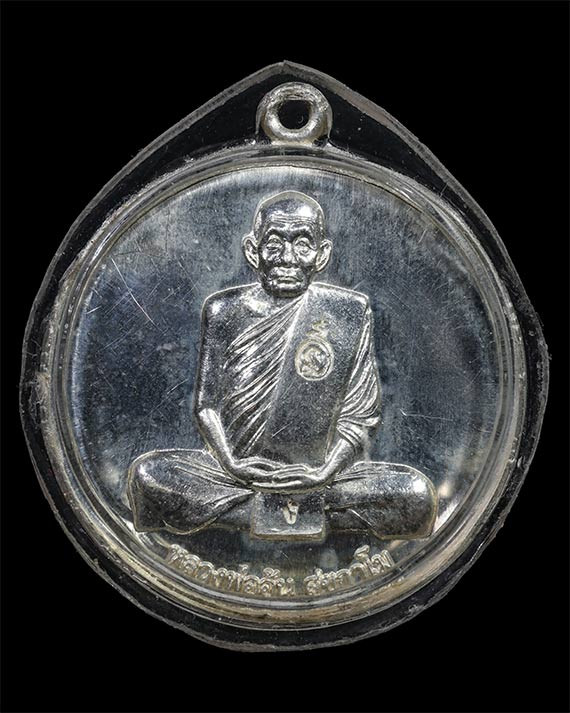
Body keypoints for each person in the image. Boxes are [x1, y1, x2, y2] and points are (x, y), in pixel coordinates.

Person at [128, 191, 437, 540]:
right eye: (274, 244)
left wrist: (323, 473)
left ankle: (253, 513)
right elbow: (207, 406)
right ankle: (303, 513)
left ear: (322, 255)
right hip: (234, 474)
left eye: (303, 245)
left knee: (414, 495)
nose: (288, 258)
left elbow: (361, 417)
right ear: (253, 251)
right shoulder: (224, 310)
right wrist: (232, 464)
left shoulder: (347, 312)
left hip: (323, 475)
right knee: (149, 477)